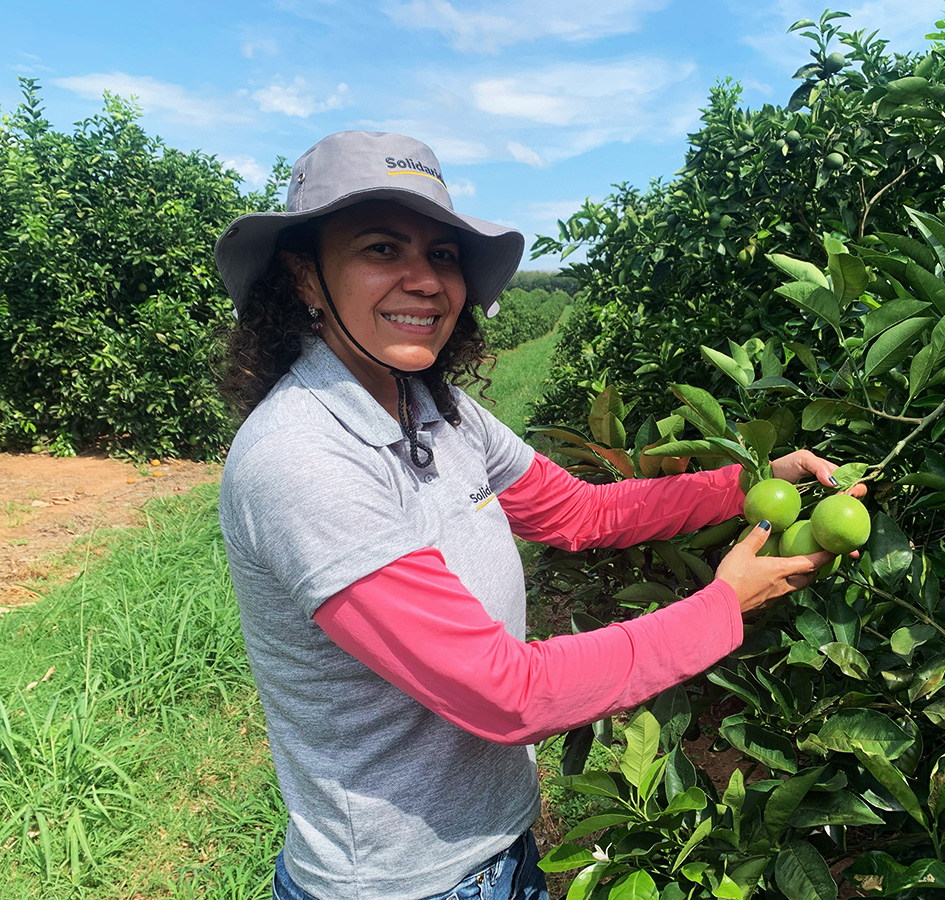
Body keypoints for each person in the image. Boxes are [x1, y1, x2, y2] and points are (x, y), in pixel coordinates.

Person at [215, 130, 860, 900]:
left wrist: (749, 485)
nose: (424, 280)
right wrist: (722, 607)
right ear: (304, 276)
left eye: (443, 255)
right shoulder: (303, 459)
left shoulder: (441, 412)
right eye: (382, 249)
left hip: (501, 845)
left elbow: (580, 512)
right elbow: (504, 691)